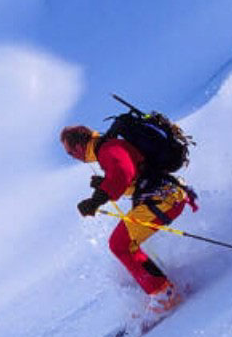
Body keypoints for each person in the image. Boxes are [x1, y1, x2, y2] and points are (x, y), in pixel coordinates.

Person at [60, 124, 188, 313]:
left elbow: (123, 173)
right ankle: (164, 291)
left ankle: (164, 295)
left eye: (70, 153)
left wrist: (96, 200)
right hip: (164, 197)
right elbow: (131, 174)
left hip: (165, 199)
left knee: (120, 244)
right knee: (124, 244)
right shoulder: (106, 148)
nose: (73, 157)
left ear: (79, 147)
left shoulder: (107, 149)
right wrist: (104, 185)